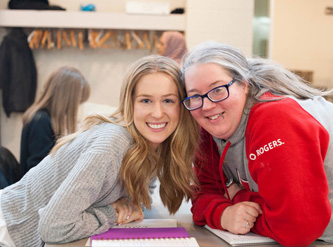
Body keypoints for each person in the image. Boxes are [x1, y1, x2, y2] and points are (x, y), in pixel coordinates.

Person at [181, 41, 333, 247]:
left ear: (244, 84)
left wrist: (238, 196)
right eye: (194, 96)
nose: (207, 105)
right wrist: (223, 213)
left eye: (217, 89)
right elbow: (203, 195)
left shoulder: (275, 119)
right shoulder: (210, 125)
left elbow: (297, 227)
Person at [0, 55, 199, 247]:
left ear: (182, 106)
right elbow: (54, 227)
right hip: (9, 232)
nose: (157, 113)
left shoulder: (155, 145)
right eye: (146, 100)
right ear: (130, 104)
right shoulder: (112, 143)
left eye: (168, 101)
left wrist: (127, 205)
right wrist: (112, 212)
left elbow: (140, 201)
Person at [20, 66, 90, 176]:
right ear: (67, 98)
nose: (77, 105)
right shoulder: (40, 121)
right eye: (78, 100)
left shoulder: (44, 118)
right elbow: (38, 169)